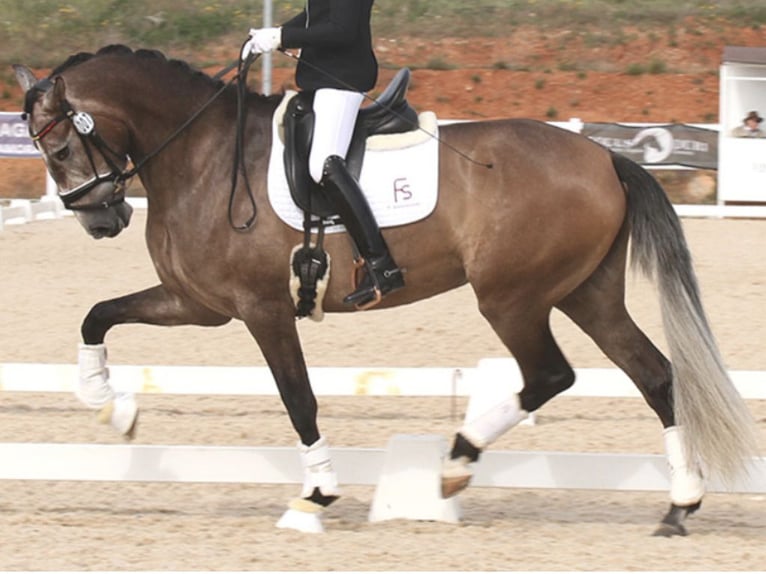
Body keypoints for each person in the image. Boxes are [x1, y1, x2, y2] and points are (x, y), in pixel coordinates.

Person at [241, 0, 404, 308]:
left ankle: (381, 265)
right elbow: (315, 15)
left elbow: (341, 31)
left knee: (323, 164)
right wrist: (275, 32)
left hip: (342, 80)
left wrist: (282, 39)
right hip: (322, 79)